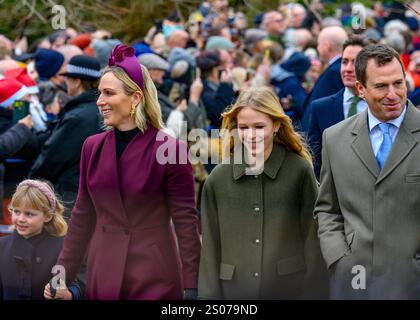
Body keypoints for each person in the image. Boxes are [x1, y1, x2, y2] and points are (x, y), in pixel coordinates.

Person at [54, 45, 201, 300]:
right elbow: (81, 215)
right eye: (99, 93)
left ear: (135, 98)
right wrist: (61, 275)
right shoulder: (92, 146)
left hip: (154, 273)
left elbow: (186, 221)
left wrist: (192, 284)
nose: (100, 101)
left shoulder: (171, 150)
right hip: (103, 271)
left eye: (109, 93)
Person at [198, 86, 328, 300]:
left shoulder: (298, 171)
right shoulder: (217, 179)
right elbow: (210, 251)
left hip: (289, 290)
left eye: (259, 126)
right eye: (243, 127)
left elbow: (314, 241)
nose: (251, 135)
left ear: (276, 125)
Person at [314, 44, 420, 299]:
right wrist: (339, 259)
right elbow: (327, 209)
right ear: (360, 89)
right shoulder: (335, 138)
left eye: (398, 83)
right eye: (381, 86)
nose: (393, 94)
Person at [29, 55, 103, 215]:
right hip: (93, 191)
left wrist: (30, 184)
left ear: (77, 82)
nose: (65, 82)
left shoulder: (78, 116)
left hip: (70, 194)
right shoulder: (101, 109)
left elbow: (53, 157)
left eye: (68, 78)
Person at [0, 179, 84, 300]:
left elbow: (80, 284)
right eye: (16, 211)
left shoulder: (63, 247)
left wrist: (70, 294)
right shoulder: (2, 246)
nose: (20, 219)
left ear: (48, 216)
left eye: (29, 214)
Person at [308, 35, 371, 179]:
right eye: (344, 62)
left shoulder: (380, 105)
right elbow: (315, 157)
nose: (348, 69)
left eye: (355, 62)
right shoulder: (321, 108)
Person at [301, 26, 348, 131]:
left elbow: (332, 112)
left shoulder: (335, 71)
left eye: (319, 44)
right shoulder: (335, 68)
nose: (317, 48)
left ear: (327, 46)